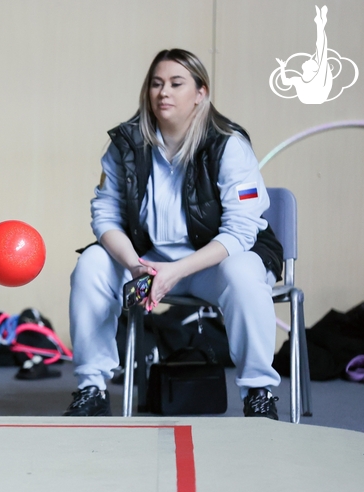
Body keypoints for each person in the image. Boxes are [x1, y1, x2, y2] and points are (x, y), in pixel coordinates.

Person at [64, 49, 284, 420]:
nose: (163, 92)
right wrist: (135, 266)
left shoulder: (227, 144)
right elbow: (104, 215)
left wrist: (177, 271)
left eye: (176, 84)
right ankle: (92, 388)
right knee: (91, 264)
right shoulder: (127, 144)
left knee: (245, 272)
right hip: (148, 261)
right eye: (156, 83)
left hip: (212, 263)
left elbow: (241, 231)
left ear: (200, 92)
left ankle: (258, 393)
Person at [276, 5, 332, 104]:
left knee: (321, 50)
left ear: (313, 69)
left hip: (317, 97)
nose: (308, 59)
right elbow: (285, 82)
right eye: (312, 60)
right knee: (321, 51)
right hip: (312, 99)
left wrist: (320, 26)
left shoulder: (318, 78)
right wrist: (282, 67)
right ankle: (320, 23)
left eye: (312, 61)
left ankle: (320, 23)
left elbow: (321, 49)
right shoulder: (298, 80)